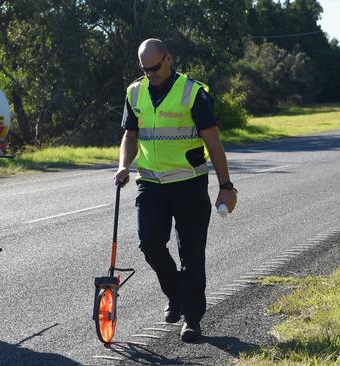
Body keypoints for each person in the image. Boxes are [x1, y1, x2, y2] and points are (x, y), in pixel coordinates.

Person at [114, 39, 237, 342]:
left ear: (169, 58)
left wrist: (226, 186)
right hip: (151, 184)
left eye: (155, 67)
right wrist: (123, 165)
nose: (150, 74)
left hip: (189, 184)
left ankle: (192, 319)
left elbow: (213, 141)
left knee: (191, 254)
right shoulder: (134, 92)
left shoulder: (193, 92)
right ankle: (177, 295)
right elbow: (131, 135)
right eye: (145, 69)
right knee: (150, 244)